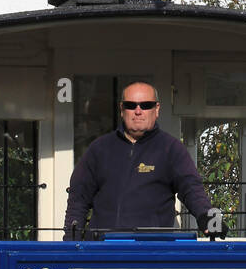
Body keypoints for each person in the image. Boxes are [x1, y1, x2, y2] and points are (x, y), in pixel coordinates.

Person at [63, 81, 218, 238]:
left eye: (145, 105)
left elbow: (191, 188)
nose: (138, 111)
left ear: (156, 109)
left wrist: (207, 217)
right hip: (102, 252)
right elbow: (78, 199)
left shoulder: (171, 149)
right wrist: (71, 241)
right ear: (122, 109)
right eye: (131, 105)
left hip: (150, 253)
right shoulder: (99, 149)